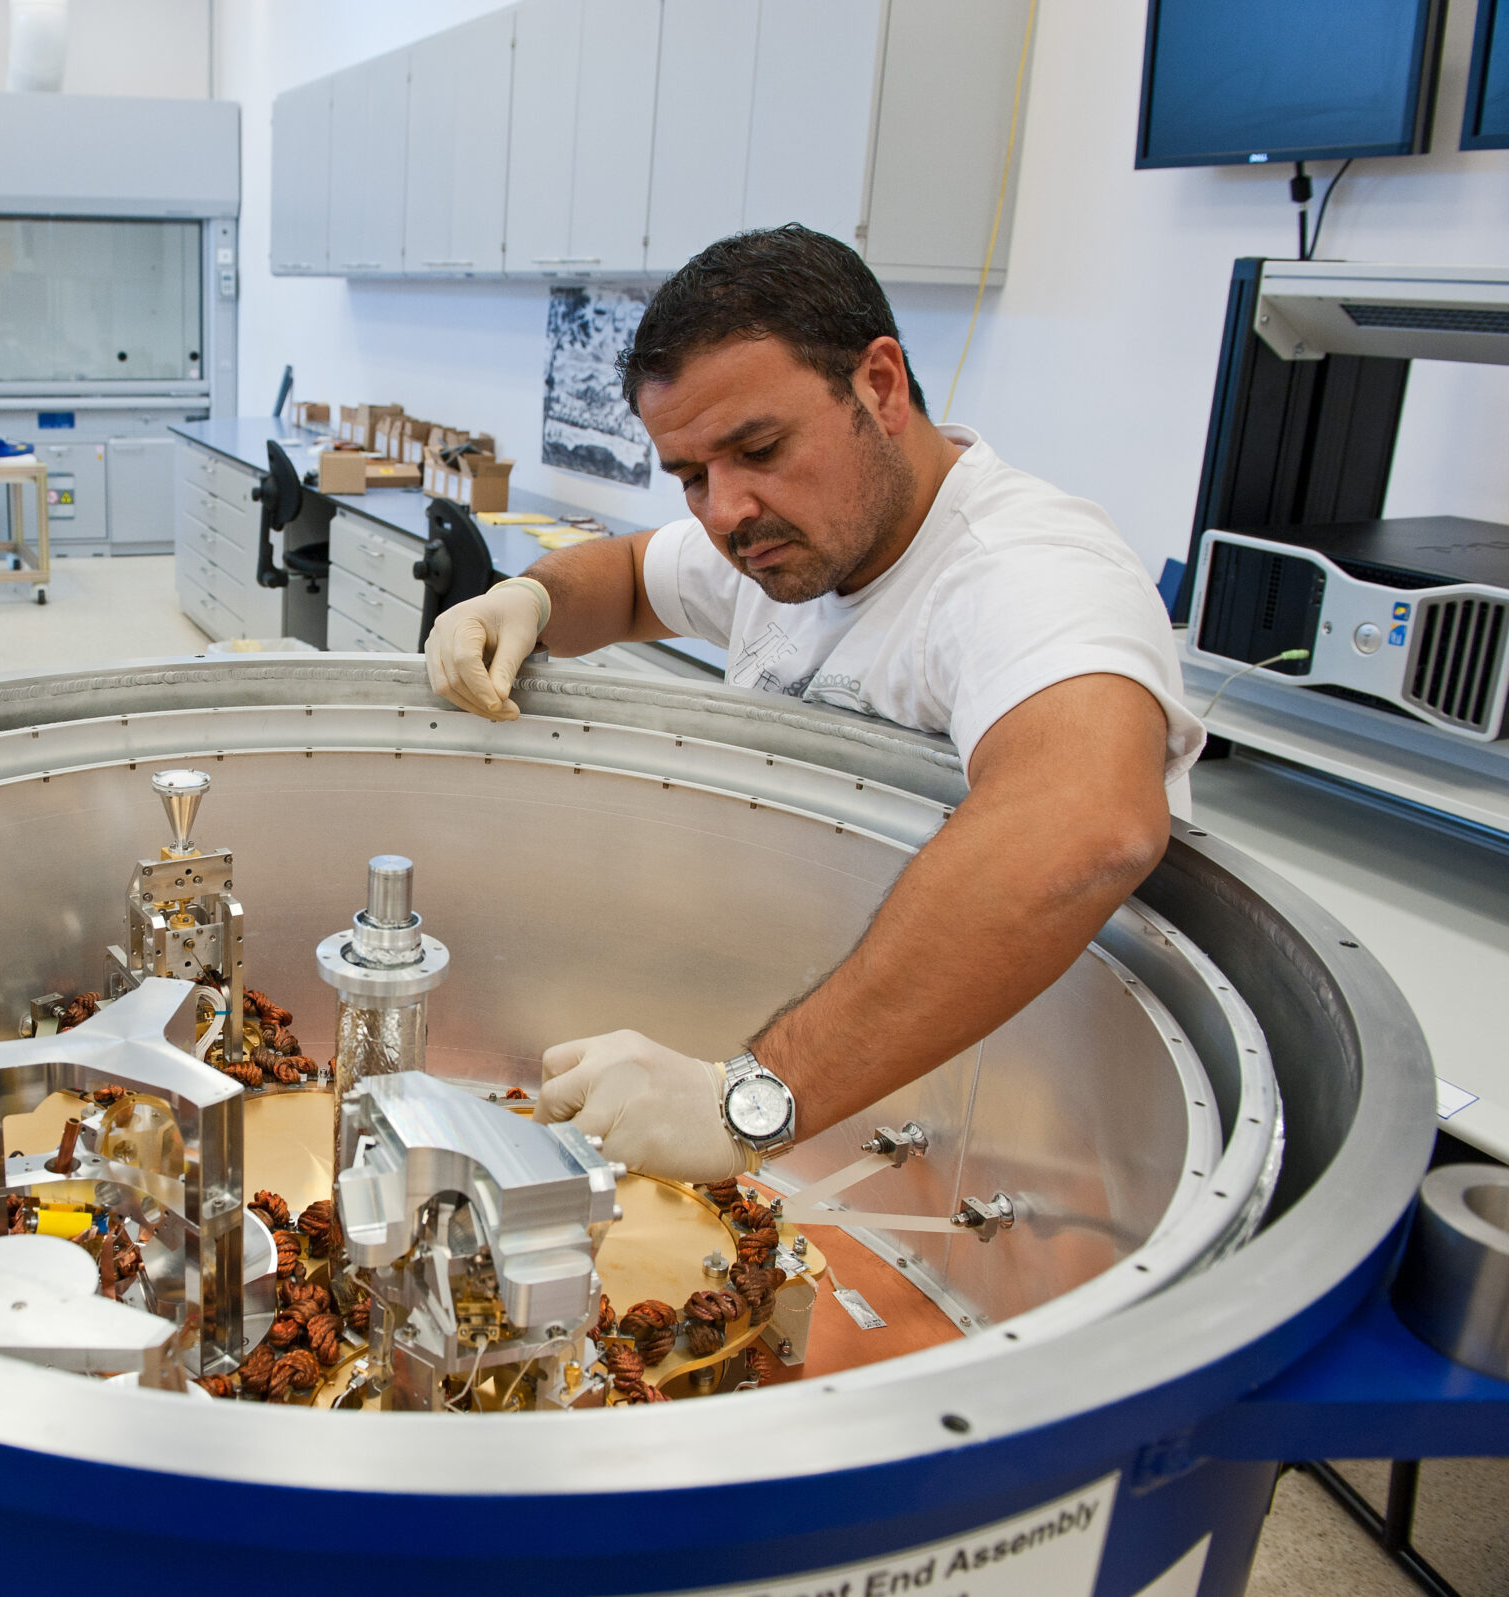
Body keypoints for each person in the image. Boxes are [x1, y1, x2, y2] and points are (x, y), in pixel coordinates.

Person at [424, 224, 1204, 1189]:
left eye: (758, 448)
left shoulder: (1026, 573)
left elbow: (1088, 824)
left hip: (954, 1120)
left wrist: (751, 1100)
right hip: (788, 1063)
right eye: (692, 475)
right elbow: (625, 577)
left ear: (880, 385)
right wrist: (529, 600)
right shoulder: (786, 546)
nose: (724, 512)